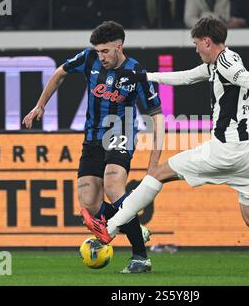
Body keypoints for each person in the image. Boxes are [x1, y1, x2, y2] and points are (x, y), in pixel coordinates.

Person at [81, 17, 249, 272]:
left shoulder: (228, 67)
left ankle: (109, 229)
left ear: (207, 41)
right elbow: (185, 77)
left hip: (225, 150)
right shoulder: (221, 62)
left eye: (197, 44)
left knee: (157, 173)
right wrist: (144, 76)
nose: (196, 49)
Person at [22, 21, 164, 274]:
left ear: (119, 47)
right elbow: (60, 73)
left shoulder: (136, 73)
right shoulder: (89, 59)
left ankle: (140, 257)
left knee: (112, 184)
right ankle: (132, 226)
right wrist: (40, 105)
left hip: (120, 133)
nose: (101, 56)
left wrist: (155, 159)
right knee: (89, 202)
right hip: (92, 138)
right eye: (98, 51)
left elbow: (157, 115)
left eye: (106, 51)